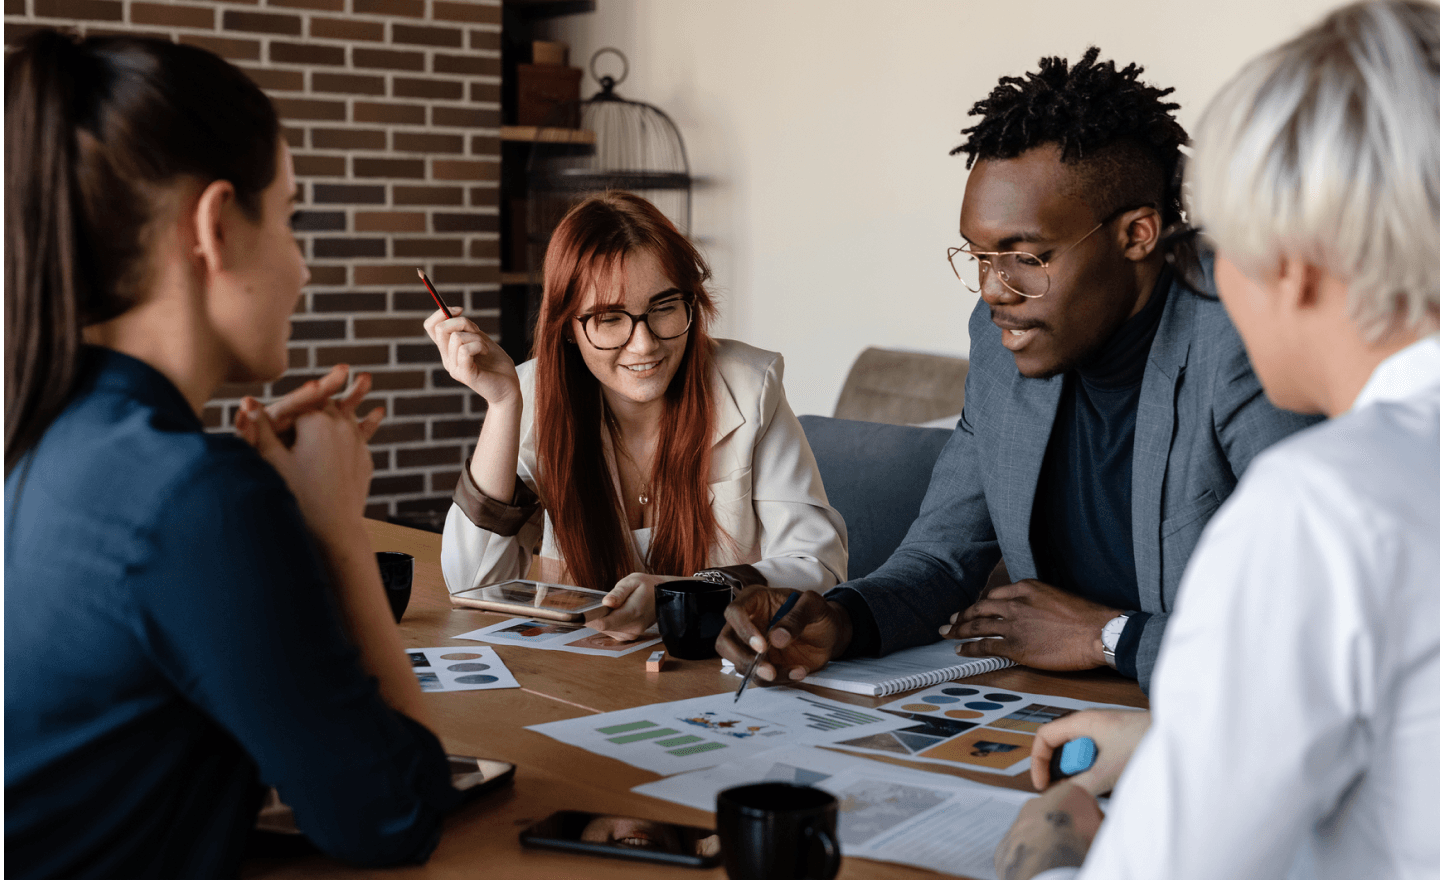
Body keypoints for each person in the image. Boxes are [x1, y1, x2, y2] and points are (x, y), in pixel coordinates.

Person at [993, 2, 1440, 877]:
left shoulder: (1322, 504)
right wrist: (1171, 736)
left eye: (1218, 250)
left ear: (1297, 264)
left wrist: (1061, 847)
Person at [717, 48, 1318, 691]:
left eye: (1024, 256)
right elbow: (943, 556)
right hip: (1050, 709)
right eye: (978, 255)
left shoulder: (1248, 337)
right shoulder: (1006, 337)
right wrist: (838, 620)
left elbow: (1316, 626)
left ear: (1139, 234)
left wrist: (1105, 637)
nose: (994, 290)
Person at [4, 32, 460, 878]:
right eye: (291, 218)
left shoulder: (49, 434)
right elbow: (393, 818)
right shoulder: (196, 499)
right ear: (214, 225)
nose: (302, 270)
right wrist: (335, 529)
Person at [429, 192, 847, 639]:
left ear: (693, 302)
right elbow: (473, 584)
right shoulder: (530, 395)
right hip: (579, 680)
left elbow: (818, 566)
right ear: (568, 328)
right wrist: (503, 406)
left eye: (664, 307)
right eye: (610, 319)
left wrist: (685, 592)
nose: (644, 344)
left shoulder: (749, 386)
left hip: (713, 669)